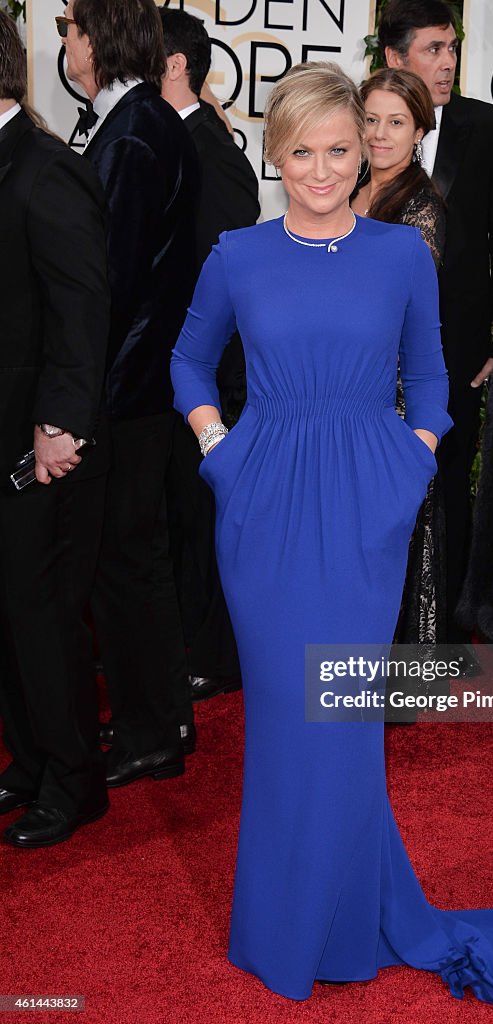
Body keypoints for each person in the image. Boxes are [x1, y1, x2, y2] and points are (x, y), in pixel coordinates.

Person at [171, 61, 493, 1004]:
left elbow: (430, 380)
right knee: (282, 715)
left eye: (338, 150)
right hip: (262, 504)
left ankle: (341, 922)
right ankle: (293, 922)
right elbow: (187, 362)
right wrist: (221, 451)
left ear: (367, 153)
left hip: (366, 507)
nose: (320, 169)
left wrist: (411, 460)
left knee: (340, 716)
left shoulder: (398, 256)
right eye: (301, 151)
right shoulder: (236, 253)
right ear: (274, 155)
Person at [59, 0, 199, 786]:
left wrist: (82, 388)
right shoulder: (132, 120)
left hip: (129, 385)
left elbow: (109, 280)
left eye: (72, 29)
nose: (66, 44)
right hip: (137, 381)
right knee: (131, 558)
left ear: (99, 39)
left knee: (126, 560)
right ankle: (157, 719)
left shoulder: (138, 130)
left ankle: (153, 729)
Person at [379, 0, 493, 646]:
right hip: (376, 356)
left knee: (446, 488)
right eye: (432, 49)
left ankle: (444, 632)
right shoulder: (369, 128)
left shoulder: (488, 128)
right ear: (393, 57)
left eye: (451, 48)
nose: (446, 62)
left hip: (458, 351)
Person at [0, 10, 110, 847]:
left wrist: (61, 426)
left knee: (40, 612)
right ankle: (31, 761)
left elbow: (82, 309)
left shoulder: (45, 172)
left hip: (35, 442)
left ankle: (74, 782)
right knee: (7, 611)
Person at [160, 6, 260, 703]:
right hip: (168, 365)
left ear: (173, 65)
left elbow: (222, 269)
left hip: (208, 373)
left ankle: (214, 654)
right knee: (173, 514)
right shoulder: (168, 137)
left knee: (203, 517)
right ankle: (180, 645)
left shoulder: (211, 148)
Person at [352, 68, 447, 646]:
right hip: (348, 380)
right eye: (370, 119)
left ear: (419, 132)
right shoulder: (346, 184)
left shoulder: (422, 209)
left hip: (393, 396)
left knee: (394, 530)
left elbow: (406, 312)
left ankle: (396, 672)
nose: (380, 134)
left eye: (396, 122)